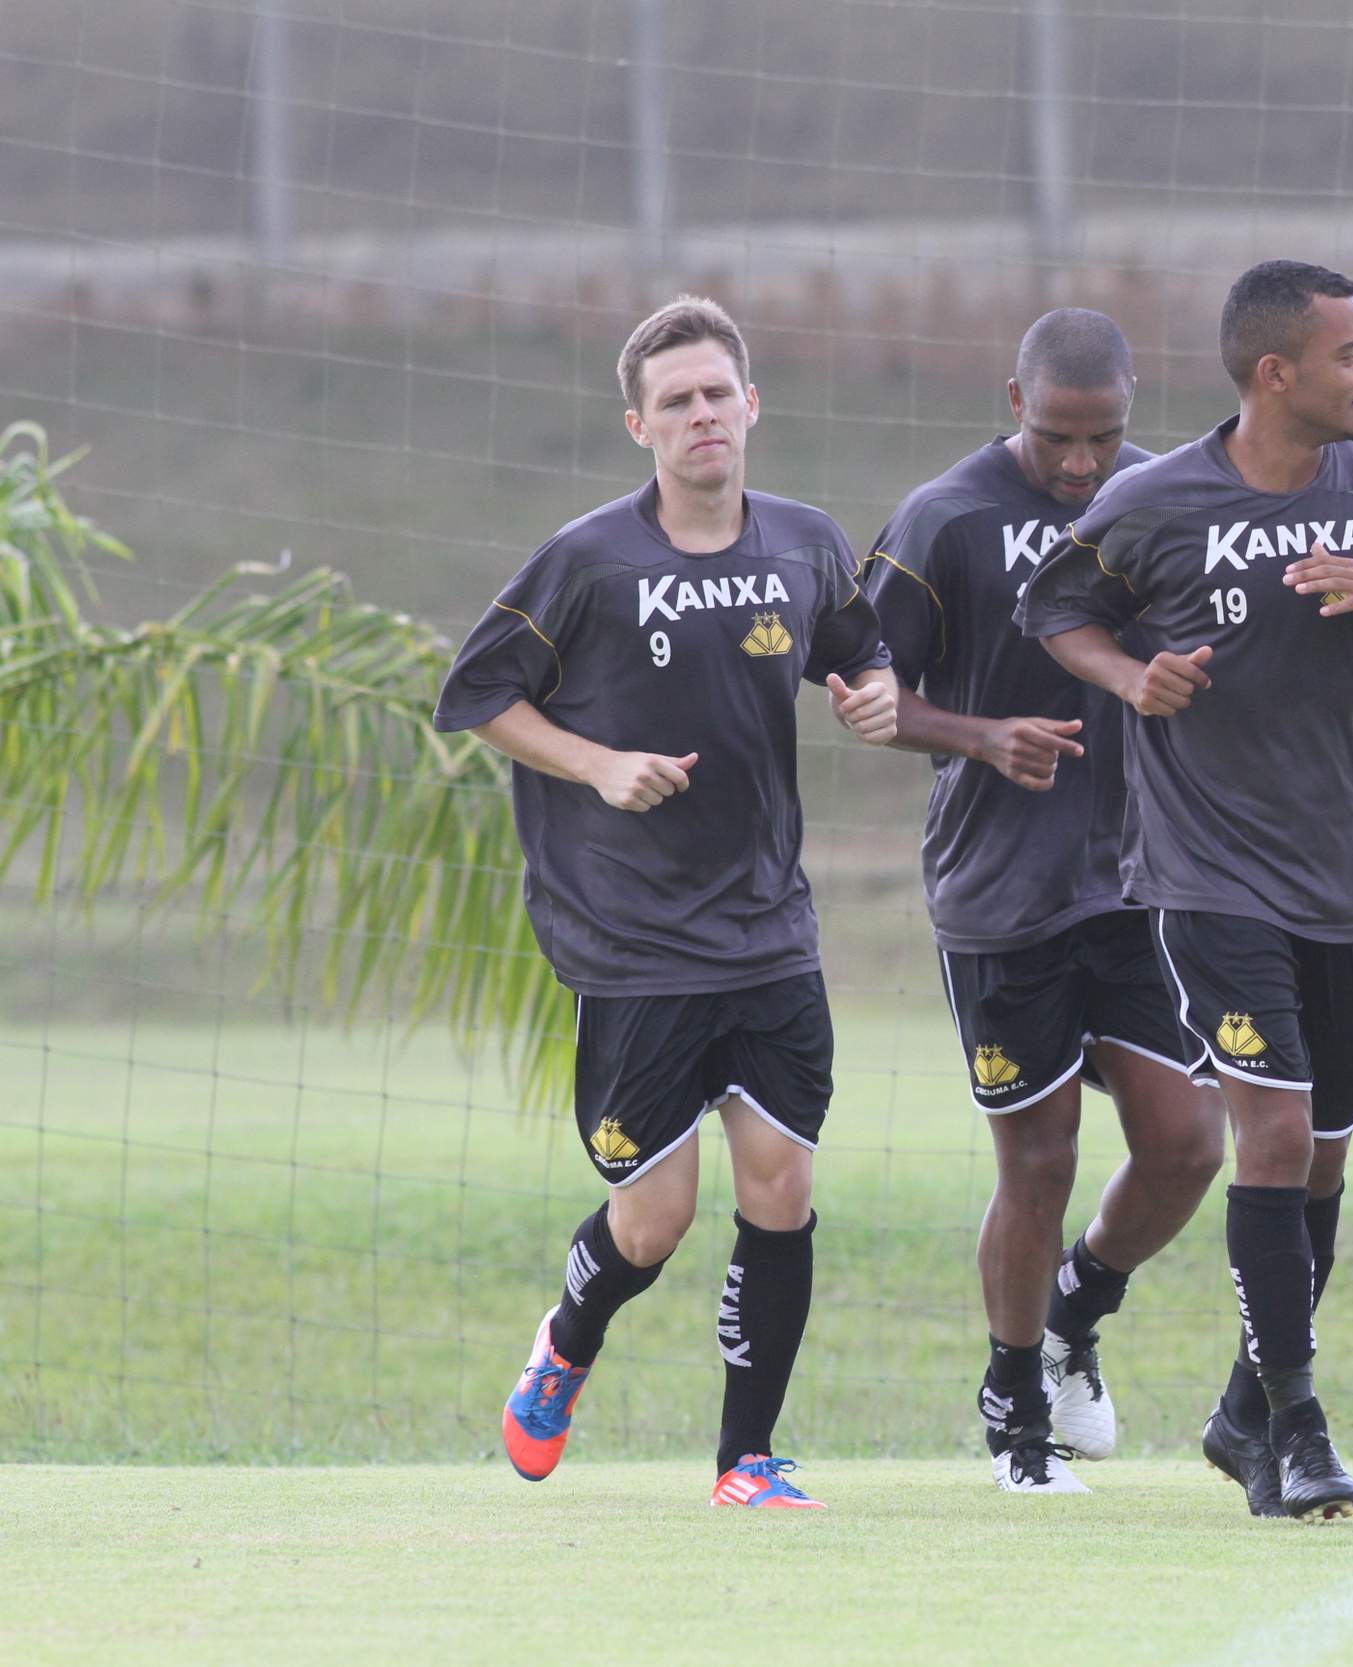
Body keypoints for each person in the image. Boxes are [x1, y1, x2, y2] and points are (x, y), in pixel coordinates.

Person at [1017, 261, 1353, 1522]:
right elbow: (1056, 611)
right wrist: (1131, 677)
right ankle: (1300, 1426)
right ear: (1276, 373)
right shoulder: (1153, 499)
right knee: (1271, 1137)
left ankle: (1241, 1413)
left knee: (1319, 1162)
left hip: (1343, 879)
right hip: (1205, 875)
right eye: (1352, 353)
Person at [433, 294, 899, 1510]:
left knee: (781, 1190)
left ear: (752, 404)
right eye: (675, 400)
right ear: (639, 425)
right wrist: (596, 763)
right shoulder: (588, 560)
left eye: (717, 393)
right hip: (633, 939)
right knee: (653, 1222)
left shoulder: (804, 542)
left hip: (769, 927)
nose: (702, 414)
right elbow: (478, 693)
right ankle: (565, 1344)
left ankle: (745, 1460)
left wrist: (876, 691)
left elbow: (859, 647)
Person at [861, 308, 1226, 1494]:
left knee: (1188, 1142)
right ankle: (1015, 1410)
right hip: (1001, 889)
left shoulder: (1164, 497)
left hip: (1143, 879)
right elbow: (863, 692)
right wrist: (980, 734)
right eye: (1059, 435)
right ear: (1013, 399)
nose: (1081, 462)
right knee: (1041, 1158)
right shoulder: (945, 518)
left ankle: (1073, 1312)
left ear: (1131, 406)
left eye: (1102, 436)